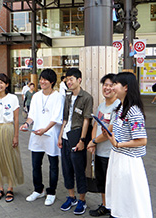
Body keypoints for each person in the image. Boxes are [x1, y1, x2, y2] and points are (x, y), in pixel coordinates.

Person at [102, 72, 153, 218]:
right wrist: (110, 135)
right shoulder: (120, 109)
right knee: (120, 197)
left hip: (128, 161)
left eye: (115, 84)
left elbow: (142, 140)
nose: (112, 87)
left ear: (125, 87)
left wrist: (118, 144)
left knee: (130, 200)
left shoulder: (133, 111)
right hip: (117, 157)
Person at [20, 69, 64, 206]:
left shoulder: (58, 97)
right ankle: (38, 190)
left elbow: (57, 117)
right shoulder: (36, 96)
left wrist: (45, 129)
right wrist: (27, 124)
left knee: (53, 166)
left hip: (51, 135)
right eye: (41, 79)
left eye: (45, 79)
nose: (42, 82)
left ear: (51, 81)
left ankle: (51, 192)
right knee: (35, 165)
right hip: (37, 135)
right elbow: (32, 114)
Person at [58, 68, 93, 215]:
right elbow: (65, 118)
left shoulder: (86, 97)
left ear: (79, 80)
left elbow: (86, 120)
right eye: (67, 79)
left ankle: (82, 200)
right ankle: (71, 197)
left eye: (71, 79)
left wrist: (82, 140)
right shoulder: (67, 96)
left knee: (79, 169)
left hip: (77, 136)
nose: (68, 82)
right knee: (66, 169)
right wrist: (60, 135)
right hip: (66, 136)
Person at [86, 74, 120, 217]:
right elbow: (95, 126)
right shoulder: (101, 105)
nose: (107, 88)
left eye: (111, 85)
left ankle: (116, 209)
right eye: (105, 85)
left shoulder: (118, 106)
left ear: (117, 87)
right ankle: (105, 205)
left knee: (113, 183)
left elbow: (108, 131)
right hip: (100, 151)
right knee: (102, 182)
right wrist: (94, 143)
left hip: (111, 152)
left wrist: (93, 141)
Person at [0, 73, 24, 203]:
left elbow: (17, 118)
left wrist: (16, 136)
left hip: (8, 129)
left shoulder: (13, 98)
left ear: (7, 84)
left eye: (1, 82)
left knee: (10, 158)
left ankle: (10, 188)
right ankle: (0, 188)